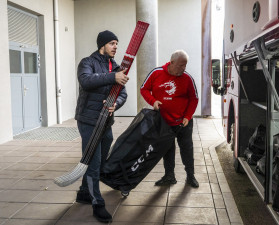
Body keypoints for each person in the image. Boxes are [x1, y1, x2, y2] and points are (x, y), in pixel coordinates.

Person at [75, 30, 129, 223]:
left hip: (106, 121)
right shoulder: (87, 62)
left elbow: (123, 93)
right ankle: (97, 204)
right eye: (112, 43)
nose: (116, 47)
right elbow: (86, 81)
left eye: (117, 43)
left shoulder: (116, 66)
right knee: (94, 163)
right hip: (89, 120)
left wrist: (117, 104)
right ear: (102, 45)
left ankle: (83, 192)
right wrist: (112, 77)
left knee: (98, 158)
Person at [140, 50, 199, 188]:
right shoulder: (156, 73)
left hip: (183, 122)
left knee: (187, 149)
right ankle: (169, 176)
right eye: (180, 65)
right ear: (171, 63)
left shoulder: (187, 78)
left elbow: (194, 99)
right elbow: (144, 89)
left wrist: (188, 116)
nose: (183, 68)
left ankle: (190, 176)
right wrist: (153, 101)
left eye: (185, 65)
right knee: (167, 149)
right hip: (164, 121)